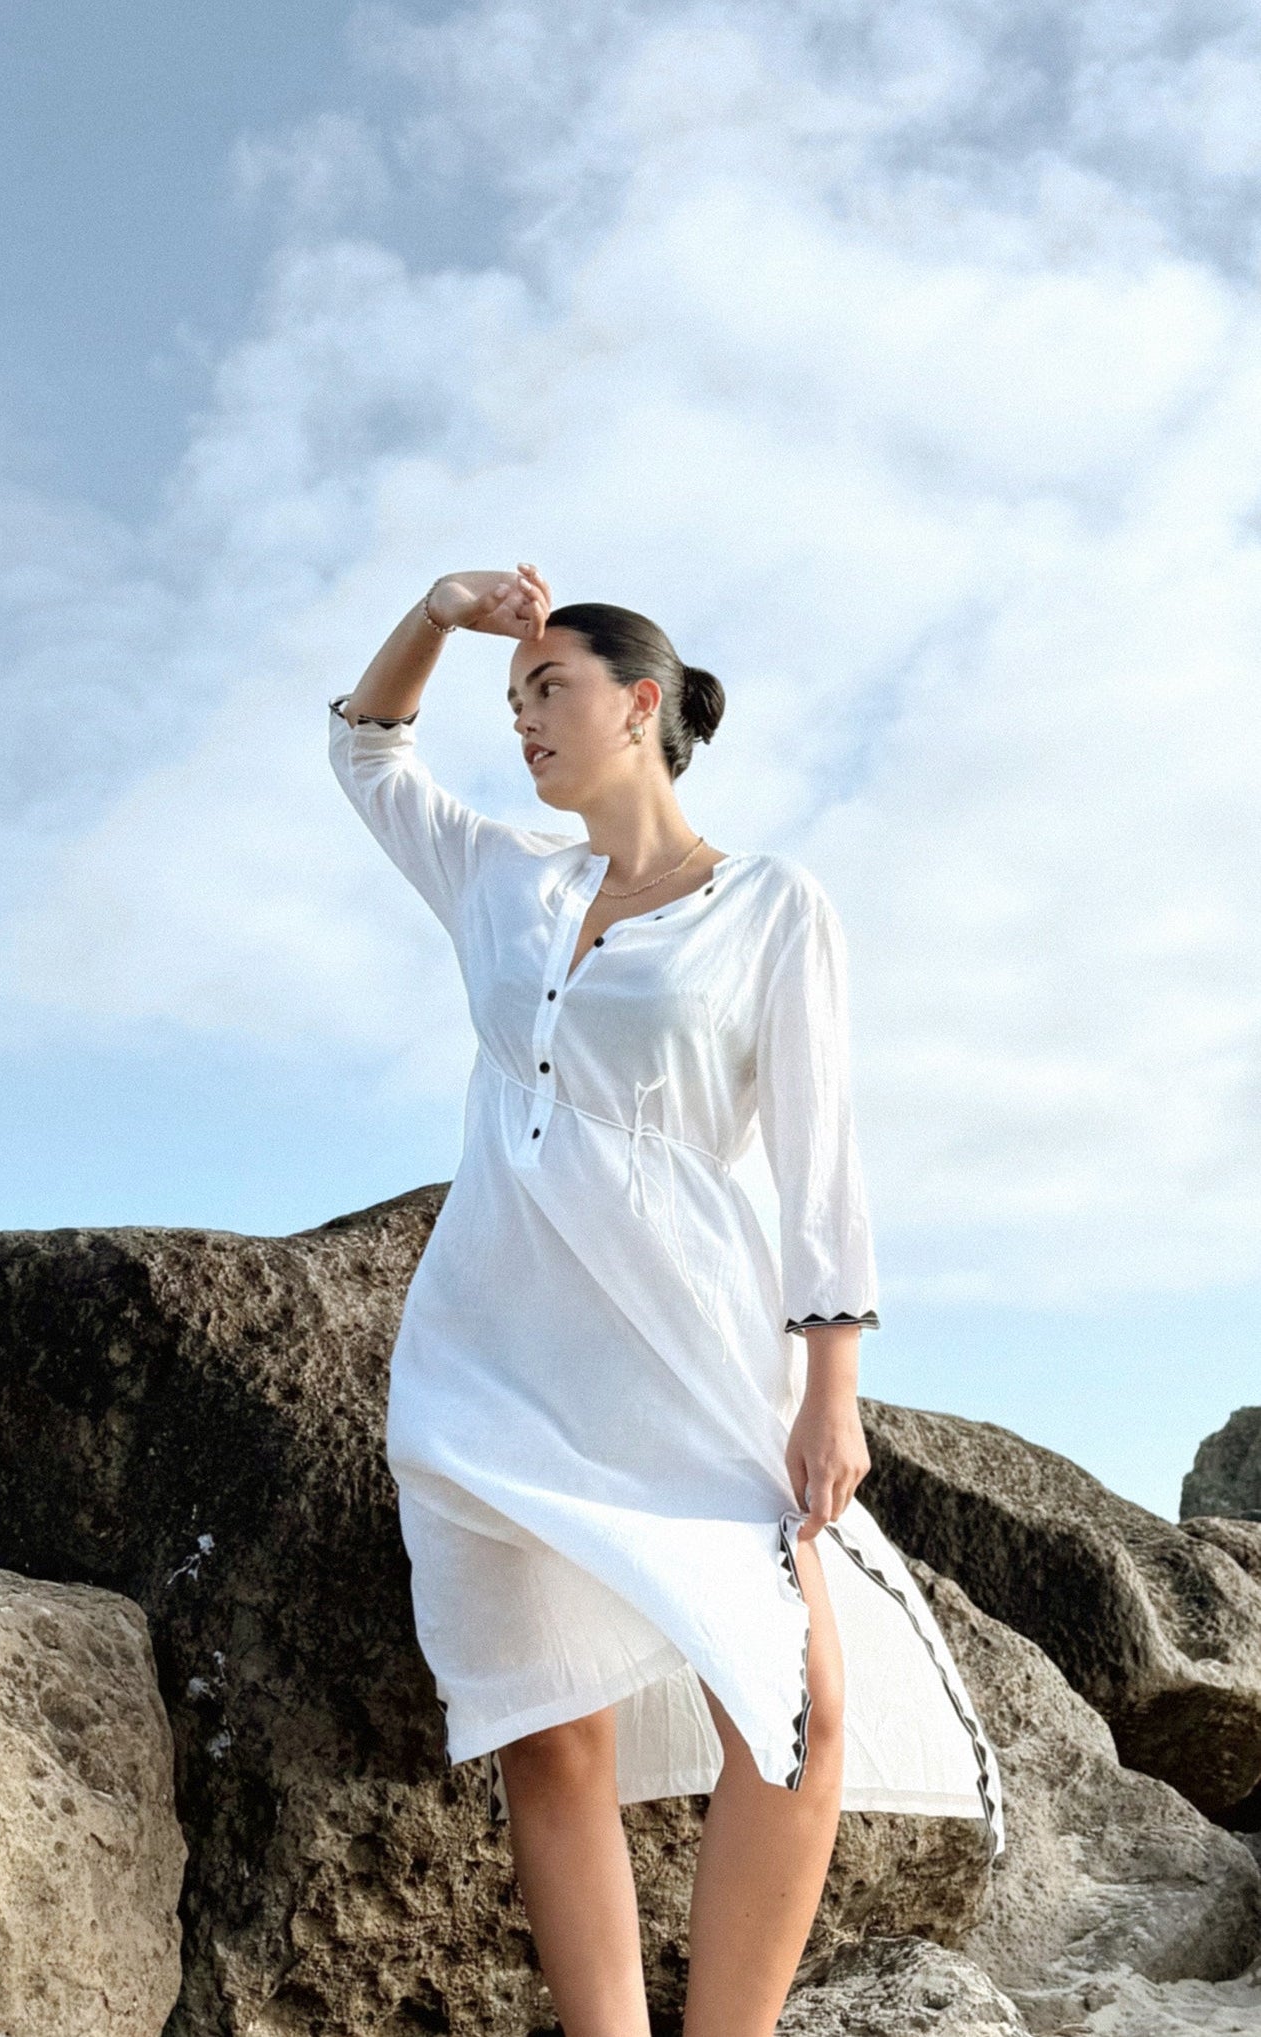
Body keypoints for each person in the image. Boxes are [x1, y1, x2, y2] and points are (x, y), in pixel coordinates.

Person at [327, 565, 1003, 2037]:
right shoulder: (503, 878)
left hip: (694, 1350)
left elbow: (823, 1157)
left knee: (792, 1704)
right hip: (489, 1362)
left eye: (547, 691)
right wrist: (442, 617)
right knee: (544, 1738)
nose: (521, 724)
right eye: (512, 705)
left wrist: (830, 1387)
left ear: (640, 704)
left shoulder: (769, 904)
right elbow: (365, 748)